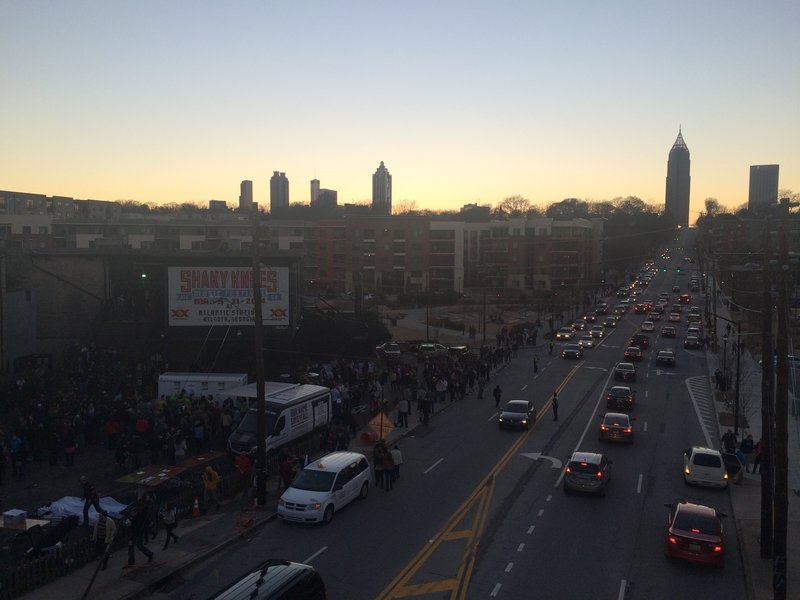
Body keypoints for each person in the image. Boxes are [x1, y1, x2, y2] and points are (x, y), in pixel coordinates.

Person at [125, 501, 154, 567]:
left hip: (138, 534)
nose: (131, 514)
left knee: (138, 546)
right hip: (137, 534)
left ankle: (149, 554)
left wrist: (131, 538)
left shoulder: (137, 518)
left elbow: (135, 528)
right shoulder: (136, 517)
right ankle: (131, 562)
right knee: (134, 547)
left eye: (132, 513)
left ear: (135, 512)